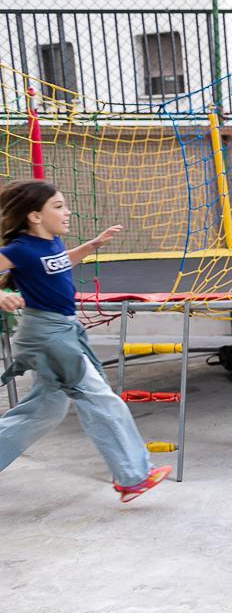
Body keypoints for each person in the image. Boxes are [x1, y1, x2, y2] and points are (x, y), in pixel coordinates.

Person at [0, 180, 171, 501]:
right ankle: (133, 476)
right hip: (47, 335)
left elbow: (58, 264)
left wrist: (91, 246)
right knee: (101, 399)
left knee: (44, 411)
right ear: (35, 216)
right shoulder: (19, 248)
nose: (67, 211)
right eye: (59, 206)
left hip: (57, 332)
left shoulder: (48, 244)